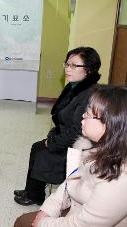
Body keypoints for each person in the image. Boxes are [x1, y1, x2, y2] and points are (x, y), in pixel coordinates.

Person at [14, 85, 127, 227]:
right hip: (75, 210)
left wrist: (44, 224)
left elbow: (84, 224)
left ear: (112, 124)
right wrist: (47, 211)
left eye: (89, 113)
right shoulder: (90, 146)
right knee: (23, 221)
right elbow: (69, 183)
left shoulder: (120, 179)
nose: (83, 115)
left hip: (81, 221)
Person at [14, 47, 101, 206]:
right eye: (67, 64)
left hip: (78, 145)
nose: (68, 69)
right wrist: (53, 136)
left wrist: (53, 143)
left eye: (74, 65)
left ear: (88, 70)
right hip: (64, 135)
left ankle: (35, 196)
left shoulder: (88, 94)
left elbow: (77, 131)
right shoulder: (75, 86)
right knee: (36, 147)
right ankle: (32, 191)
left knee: (43, 153)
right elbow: (62, 117)